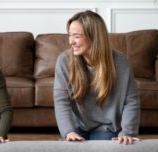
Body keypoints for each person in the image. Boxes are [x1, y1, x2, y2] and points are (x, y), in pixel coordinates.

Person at [54, 10, 140, 144]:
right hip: (77, 128)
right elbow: (61, 100)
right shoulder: (64, 60)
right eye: (70, 35)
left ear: (93, 36)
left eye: (76, 36)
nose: (71, 41)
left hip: (107, 129)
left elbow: (131, 100)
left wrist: (127, 132)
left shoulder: (120, 61)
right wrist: (68, 132)